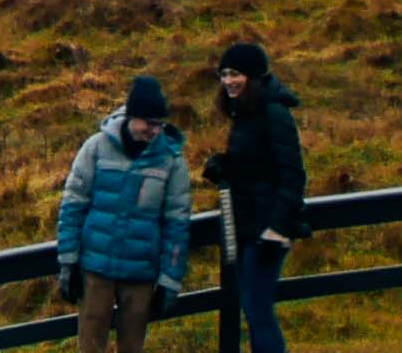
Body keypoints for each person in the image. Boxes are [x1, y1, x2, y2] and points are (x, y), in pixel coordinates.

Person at [56, 73, 195, 353]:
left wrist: (170, 279)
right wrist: (68, 261)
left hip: (141, 274)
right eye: (149, 122)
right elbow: (73, 205)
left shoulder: (171, 162)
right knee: (90, 346)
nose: (155, 131)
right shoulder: (95, 148)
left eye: (160, 124)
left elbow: (177, 224)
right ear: (131, 116)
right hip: (96, 270)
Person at [204, 39, 307, 353]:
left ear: (254, 76)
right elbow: (259, 166)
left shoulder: (273, 113)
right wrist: (226, 167)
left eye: (235, 74)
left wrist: (277, 227)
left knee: (257, 308)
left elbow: (293, 174)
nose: (228, 81)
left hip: (267, 231)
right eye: (224, 75)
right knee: (254, 307)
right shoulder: (247, 112)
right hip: (251, 224)